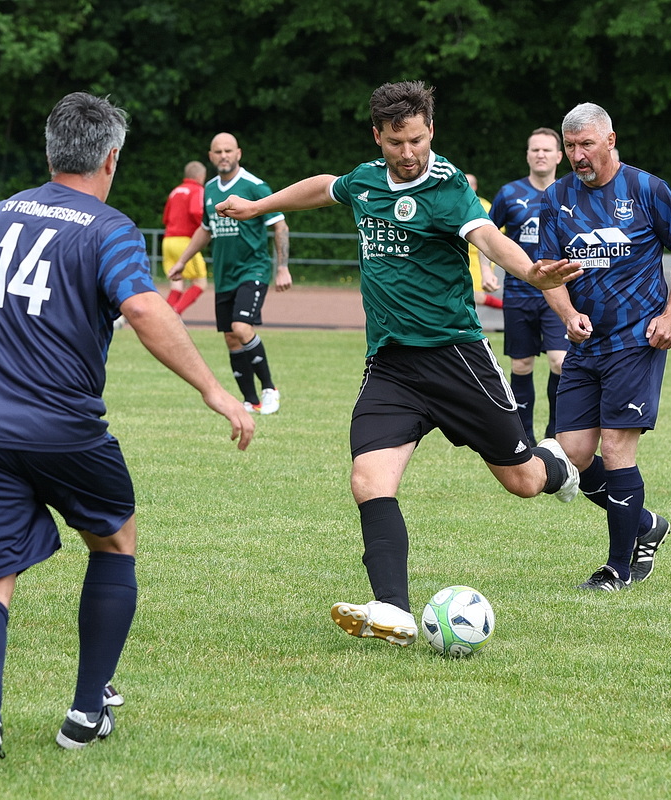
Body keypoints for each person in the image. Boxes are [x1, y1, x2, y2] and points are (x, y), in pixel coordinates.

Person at [0, 92, 255, 769]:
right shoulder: (108, 228)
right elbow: (145, 308)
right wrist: (214, 390)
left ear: (51, 152)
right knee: (114, 540)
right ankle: (83, 712)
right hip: (62, 426)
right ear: (110, 158)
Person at [215, 80, 583, 647]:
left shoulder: (448, 187)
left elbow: (490, 240)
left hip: (455, 358)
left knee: (523, 481)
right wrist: (261, 206)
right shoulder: (366, 181)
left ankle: (557, 465)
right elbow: (323, 187)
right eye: (395, 142)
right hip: (390, 365)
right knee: (368, 481)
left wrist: (533, 273)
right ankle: (393, 608)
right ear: (377, 137)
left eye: (416, 140)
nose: (408, 153)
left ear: (431, 130)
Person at [539, 102, 671, 591]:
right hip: (586, 346)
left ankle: (617, 569)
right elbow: (547, 273)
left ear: (610, 140)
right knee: (573, 454)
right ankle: (645, 524)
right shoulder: (557, 197)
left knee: (615, 447)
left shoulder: (647, 189)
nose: (577, 155)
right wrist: (568, 315)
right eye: (571, 146)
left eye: (586, 144)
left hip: (637, 340)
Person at [169, 132, 290, 414]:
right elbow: (205, 229)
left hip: (253, 269)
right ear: (211, 157)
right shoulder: (209, 189)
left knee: (241, 327)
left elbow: (280, 225)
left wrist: (282, 267)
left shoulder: (254, 186)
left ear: (238, 153)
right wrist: (183, 261)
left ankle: (270, 389)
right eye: (218, 151)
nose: (223, 156)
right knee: (231, 338)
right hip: (224, 275)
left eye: (228, 150)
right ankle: (250, 401)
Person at [487, 127, 568, 444]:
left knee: (560, 361)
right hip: (519, 293)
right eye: (535, 149)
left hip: (558, 292)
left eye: (547, 150)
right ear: (528, 155)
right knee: (521, 365)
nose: (540, 155)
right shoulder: (509, 193)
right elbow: (487, 234)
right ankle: (525, 437)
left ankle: (556, 435)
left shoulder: (571, 193)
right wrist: (487, 271)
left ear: (559, 156)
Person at [162, 160, 209, 315]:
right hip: (185, 241)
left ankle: (165, 317)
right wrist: (206, 227)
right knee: (200, 283)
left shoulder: (175, 191)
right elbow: (196, 211)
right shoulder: (197, 189)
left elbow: (165, 218)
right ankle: (175, 314)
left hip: (168, 241)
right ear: (201, 176)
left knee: (177, 284)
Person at [465, 173, 503, 312]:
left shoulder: (485, 206)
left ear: (475, 187)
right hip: (457, 257)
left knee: (475, 296)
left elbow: (496, 232)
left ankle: (507, 307)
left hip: (477, 259)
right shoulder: (452, 204)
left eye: (468, 184)